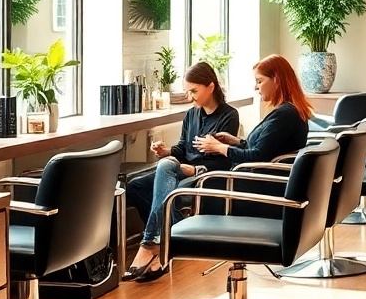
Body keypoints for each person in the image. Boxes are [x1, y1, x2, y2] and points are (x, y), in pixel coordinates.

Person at [130, 55, 313, 284]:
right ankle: (163, 244)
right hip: (257, 183)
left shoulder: (283, 115)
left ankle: (155, 245)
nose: (255, 88)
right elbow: (262, 150)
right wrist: (236, 143)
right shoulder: (287, 112)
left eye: (259, 81)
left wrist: (221, 148)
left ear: (276, 79)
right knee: (155, 173)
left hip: (250, 189)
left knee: (169, 182)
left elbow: (256, 157)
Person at [124, 62, 239, 282]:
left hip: (206, 176)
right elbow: (182, 149)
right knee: (136, 186)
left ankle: (150, 245)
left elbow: (225, 160)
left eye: (194, 91)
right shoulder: (191, 115)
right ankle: (170, 239)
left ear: (211, 87)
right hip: (181, 170)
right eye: (188, 91)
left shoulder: (229, 116)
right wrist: (165, 150)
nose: (190, 96)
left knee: (166, 168)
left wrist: (194, 168)